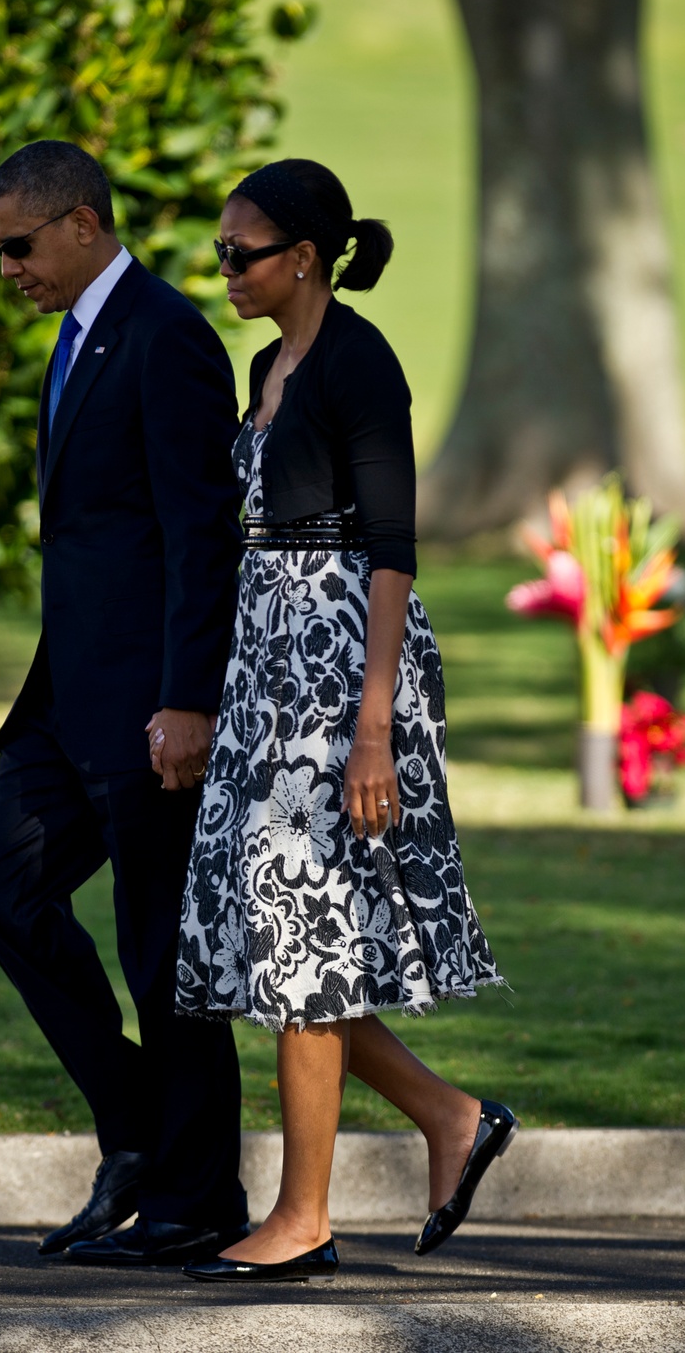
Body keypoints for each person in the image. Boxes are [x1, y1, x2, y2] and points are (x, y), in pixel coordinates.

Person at [167, 160, 516, 1285]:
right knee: (276, 943)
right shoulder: (267, 363)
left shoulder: (361, 364)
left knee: (304, 936)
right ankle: (452, 1119)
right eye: (220, 252)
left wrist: (373, 732)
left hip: (341, 679)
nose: (224, 271)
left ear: (304, 255)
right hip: (266, 672)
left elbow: (390, 554)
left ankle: (303, 1219)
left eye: (242, 253)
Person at [0, 140, 250, 1268]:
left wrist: (188, 701)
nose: (8, 271)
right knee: (3, 892)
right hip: (61, 698)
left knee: (158, 952)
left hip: (147, 711)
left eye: (18, 247)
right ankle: (138, 1131)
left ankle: (198, 1202)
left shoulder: (168, 336)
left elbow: (198, 536)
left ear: (82, 224)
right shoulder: (77, 338)